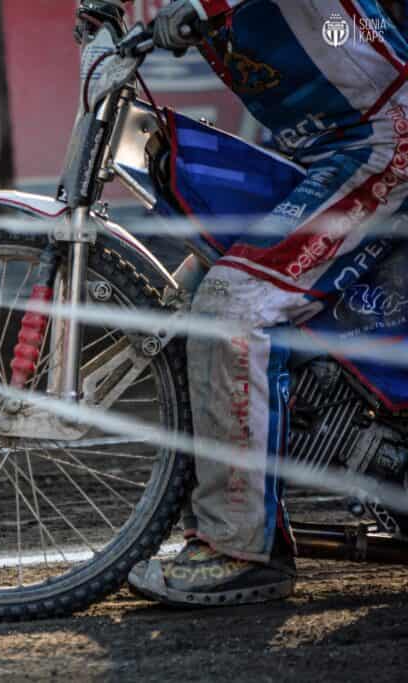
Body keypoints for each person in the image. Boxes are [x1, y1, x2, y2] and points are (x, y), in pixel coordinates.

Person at [127, 0, 408, 605]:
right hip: (331, 150)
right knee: (195, 297)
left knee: (234, 304)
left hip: (384, 142)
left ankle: (239, 548)